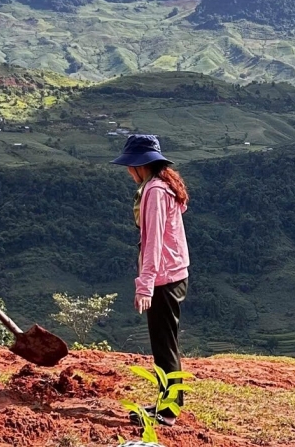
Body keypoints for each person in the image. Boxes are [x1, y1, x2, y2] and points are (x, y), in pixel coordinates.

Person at [112, 134, 190, 427]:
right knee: (166, 343)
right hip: (174, 272)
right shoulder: (163, 185)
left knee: (163, 345)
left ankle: (168, 412)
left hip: (164, 277)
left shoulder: (154, 191)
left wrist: (145, 285)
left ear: (138, 166)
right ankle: (168, 403)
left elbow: (153, 240)